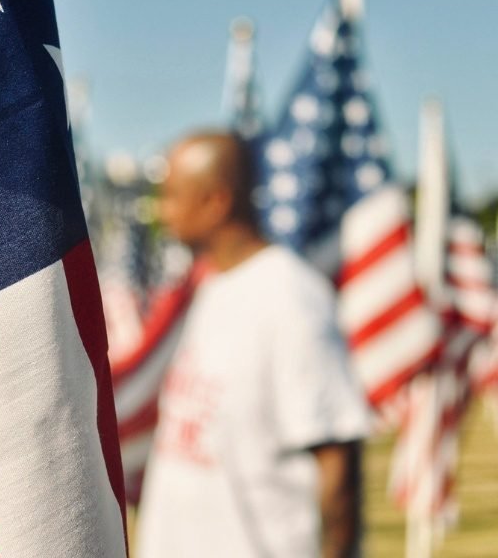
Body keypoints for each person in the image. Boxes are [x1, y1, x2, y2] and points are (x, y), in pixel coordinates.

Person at [136, 130, 373, 558]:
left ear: (215, 202)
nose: (161, 209)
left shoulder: (289, 297)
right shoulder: (211, 286)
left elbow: (337, 461)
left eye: (172, 194)